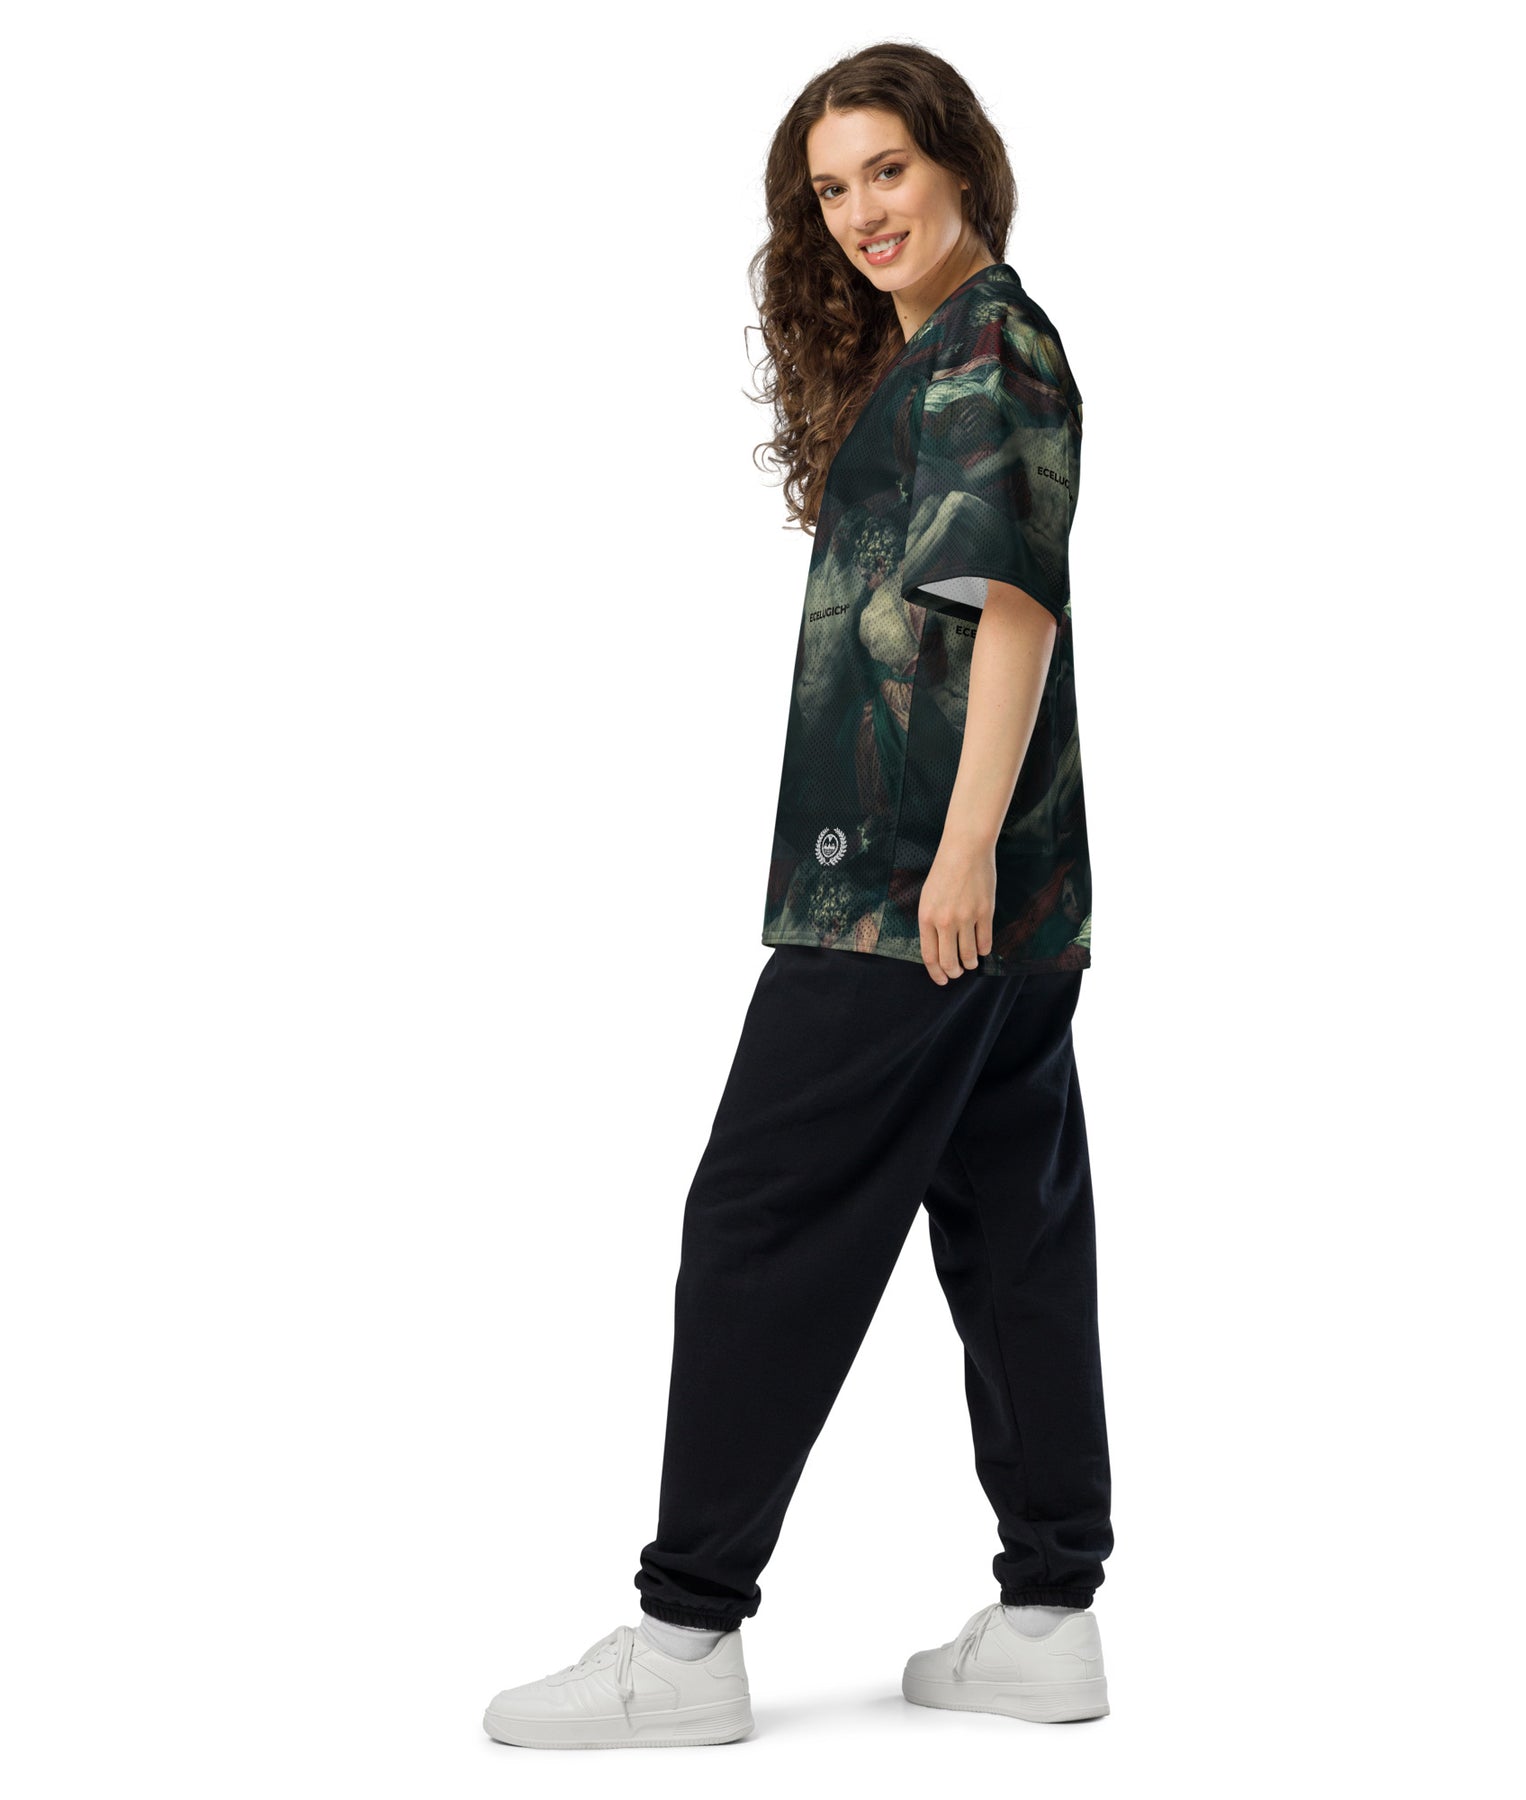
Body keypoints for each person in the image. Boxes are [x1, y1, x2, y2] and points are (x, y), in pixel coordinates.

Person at [483, 42, 1112, 1750]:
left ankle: (684, 1642)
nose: (860, 212)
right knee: (1013, 1222)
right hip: (993, 894)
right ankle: (1048, 1617)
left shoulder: (991, 350)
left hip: (913, 891)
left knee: (761, 1217)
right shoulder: (942, 351)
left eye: (887, 170)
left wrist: (960, 850)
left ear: (961, 162)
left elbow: (1013, 609)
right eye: (831, 190)